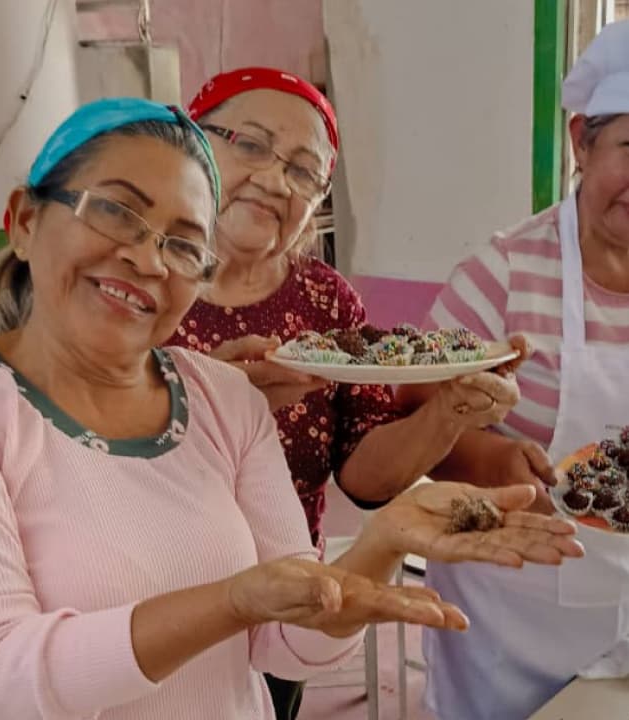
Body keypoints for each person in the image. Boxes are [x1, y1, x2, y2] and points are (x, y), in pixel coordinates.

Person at [0, 98, 583, 720]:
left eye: (182, 245)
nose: (146, 258)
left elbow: (290, 642)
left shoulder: (221, 396)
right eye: (115, 212)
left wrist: (382, 543)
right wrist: (231, 603)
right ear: (24, 222)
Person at [403, 19, 629, 720]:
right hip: (505, 607)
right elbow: (416, 428)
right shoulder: (499, 275)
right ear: (581, 140)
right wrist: (500, 459)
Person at [171, 68, 527, 718]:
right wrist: (214, 403)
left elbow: (366, 477)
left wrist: (448, 411)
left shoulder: (324, 300)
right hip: (149, 601)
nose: (276, 180)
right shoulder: (135, 286)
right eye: (249, 143)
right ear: (190, 146)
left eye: (305, 171)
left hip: (288, 605)